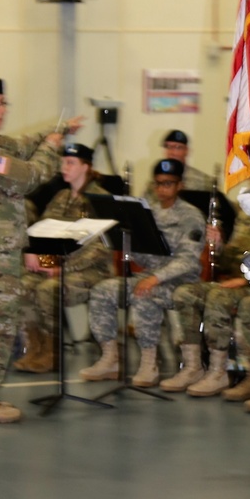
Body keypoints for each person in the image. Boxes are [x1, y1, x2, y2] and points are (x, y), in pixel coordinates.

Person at [0, 80, 77, 424]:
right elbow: (28, 176)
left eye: (5, 103)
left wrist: (58, 131)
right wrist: (52, 148)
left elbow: (20, 145)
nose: (2, 109)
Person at [79, 159, 206, 388]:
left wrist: (155, 278)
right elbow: (145, 256)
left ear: (180, 186)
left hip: (182, 282)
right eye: (158, 183)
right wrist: (126, 240)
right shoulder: (150, 212)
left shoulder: (191, 216)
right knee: (102, 291)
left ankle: (149, 363)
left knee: (144, 293)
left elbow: (188, 260)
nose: (162, 189)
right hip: (149, 275)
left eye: (168, 183)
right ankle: (110, 358)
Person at [165, 196, 250, 397]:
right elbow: (228, 260)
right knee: (185, 294)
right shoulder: (246, 216)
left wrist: (244, 280)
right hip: (233, 279)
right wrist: (219, 245)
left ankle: (218, 372)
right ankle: (193, 367)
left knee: (219, 297)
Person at [16, 141, 113, 374]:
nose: (64, 168)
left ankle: (52, 352)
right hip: (59, 267)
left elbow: (99, 249)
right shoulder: (61, 196)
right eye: (62, 163)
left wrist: (61, 269)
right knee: (23, 286)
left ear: (86, 167)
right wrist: (37, 257)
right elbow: (44, 232)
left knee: (48, 290)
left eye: (70, 163)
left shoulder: (100, 199)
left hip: (92, 271)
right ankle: (35, 346)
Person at [142, 130, 213, 199]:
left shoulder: (203, 181)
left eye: (178, 147)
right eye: (168, 147)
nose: (172, 152)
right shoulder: (156, 181)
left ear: (187, 151)